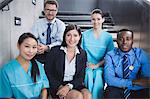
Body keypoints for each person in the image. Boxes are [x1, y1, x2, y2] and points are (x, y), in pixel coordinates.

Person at [38, 24, 91, 99]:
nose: (72, 39)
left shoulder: (82, 53)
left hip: (73, 84)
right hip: (58, 85)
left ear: (79, 37)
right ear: (64, 36)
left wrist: (69, 86)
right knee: (78, 96)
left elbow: (81, 76)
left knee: (87, 95)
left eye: (75, 35)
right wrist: (60, 87)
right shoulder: (55, 51)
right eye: (68, 35)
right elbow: (48, 72)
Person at [0, 33, 49, 99]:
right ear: (18, 46)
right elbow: (6, 96)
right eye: (27, 46)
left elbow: (44, 88)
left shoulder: (39, 65)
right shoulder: (6, 70)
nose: (31, 51)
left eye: (34, 47)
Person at [104, 29, 150, 98]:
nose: (124, 42)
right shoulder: (110, 55)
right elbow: (109, 79)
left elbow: (146, 80)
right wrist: (132, 82)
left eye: (128, 39)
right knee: (109, 93)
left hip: (137, 88)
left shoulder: (141, 54)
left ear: (132, 41)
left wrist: (136, 83)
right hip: (117, 88)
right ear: (116, 41)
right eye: (121, 39)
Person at [81, 9, 114, 99]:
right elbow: (81, 53)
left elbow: (109, 55)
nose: (96, 22)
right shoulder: (85, 35)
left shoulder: (108, 37)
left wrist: (97, 65)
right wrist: (87, 64)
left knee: (99, 73)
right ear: (91, 20)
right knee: (88, 73)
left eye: (98, 19)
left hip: (101, 65)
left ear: (103, 20)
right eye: (93, 19)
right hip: (87, 65)